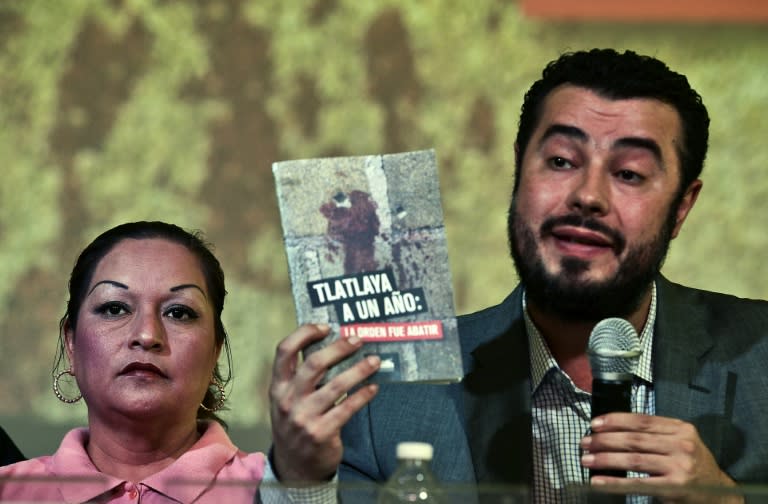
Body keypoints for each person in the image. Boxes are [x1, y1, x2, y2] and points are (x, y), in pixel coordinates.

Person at [336, 48, 768, 501]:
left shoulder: (759, 359)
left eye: (629, 173)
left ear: (682, 207)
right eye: (561, 161)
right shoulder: (393, 395)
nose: (587, 196)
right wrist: (300, 472)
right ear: (520, 168)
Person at [0, 221, 380, 502]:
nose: (147, 335)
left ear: (215, 350)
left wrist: (302, 485)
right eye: (114, 308)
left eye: (179, 313)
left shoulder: (277, 488)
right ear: (71, 342)